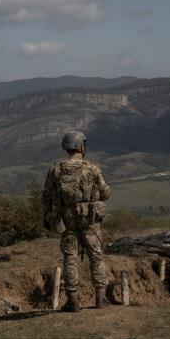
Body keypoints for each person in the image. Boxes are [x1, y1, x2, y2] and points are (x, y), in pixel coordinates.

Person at [42, 131, 111, 312]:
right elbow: (105, 194)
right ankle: (100, 298)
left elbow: (46, 197)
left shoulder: (56, 170)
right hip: (90, 220)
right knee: (96, 255)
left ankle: (73, 300)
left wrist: (49, 217)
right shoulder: (92, 168)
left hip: (67, 221)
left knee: (70, 258)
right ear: (81, 146)